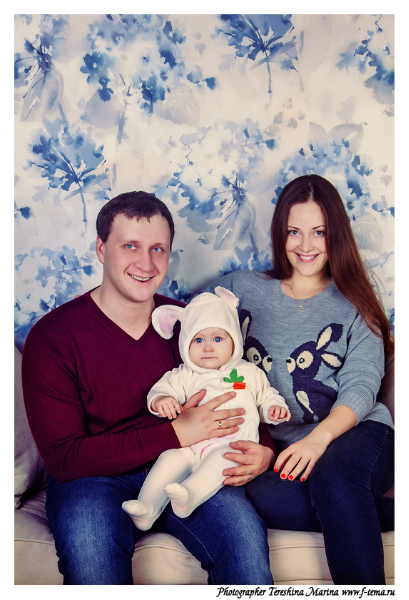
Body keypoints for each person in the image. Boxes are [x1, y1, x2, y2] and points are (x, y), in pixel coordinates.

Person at [21, 191, 275, 585]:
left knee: (242, 540)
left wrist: (265, 451)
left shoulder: (191, 326)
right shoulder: (53, 337)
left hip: (190, 465)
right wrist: (176, 432)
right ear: (101, 249)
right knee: (92, 554)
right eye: (130, 246)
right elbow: (65, 459)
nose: (146, 263)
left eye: (158, 249)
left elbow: (239, 384)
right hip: (93, 479)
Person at [206, 174, 394, 585]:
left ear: (336, 235)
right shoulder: (238, 290)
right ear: (281, 233)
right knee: (258, 491)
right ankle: (378, 510)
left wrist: (317, 440)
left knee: (335, 478)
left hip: (357, 432)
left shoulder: (356, 303)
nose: (305, 245)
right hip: (282, 450)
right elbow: (190, 333)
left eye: (319, 232)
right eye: (294, 231)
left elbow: (362, 386)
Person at [122, 286, 290, 529]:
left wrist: (274, 408)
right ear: (185, 344)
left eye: (218, 339)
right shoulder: (185, 374)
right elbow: (161, 390)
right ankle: (147, 507)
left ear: (234, 341)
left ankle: (189, 495)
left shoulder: (250, 373)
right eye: (198, 340)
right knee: (170, 457)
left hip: (231, 446)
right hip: (190, 446)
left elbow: (265, 397)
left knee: (223, 459)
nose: (208, 347)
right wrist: (162, 401)